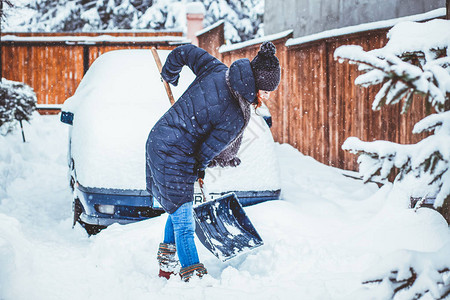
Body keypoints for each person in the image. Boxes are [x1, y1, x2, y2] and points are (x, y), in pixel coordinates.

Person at [146, 41, 281, 281]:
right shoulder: (236, 115)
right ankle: (194, 281)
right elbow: (207, 151)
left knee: (178, 207)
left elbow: (185, 51)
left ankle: (165, 270)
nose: (267, 96)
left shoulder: (218, 69)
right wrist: (199, 170)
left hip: (159, 138)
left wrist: (171, 72)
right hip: (174, 154)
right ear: (256, 86)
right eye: (266, 90)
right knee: (185, 223)